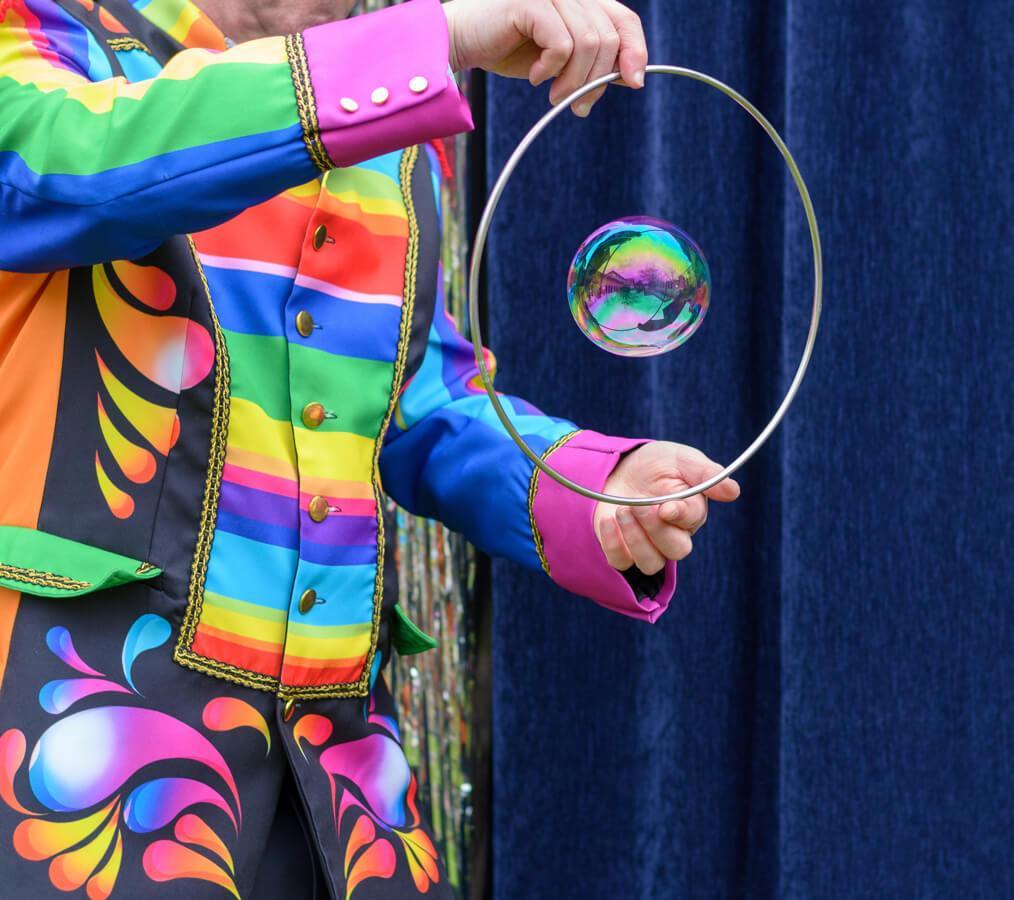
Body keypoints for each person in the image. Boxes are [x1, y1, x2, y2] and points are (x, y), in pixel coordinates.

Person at [0, 0, 740, 896]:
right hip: (76, 754)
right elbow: (55, 166)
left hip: (342, 793)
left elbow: (421, 401)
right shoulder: (45, 28)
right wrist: (422, 48)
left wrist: (596, 488)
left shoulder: (396, 144)